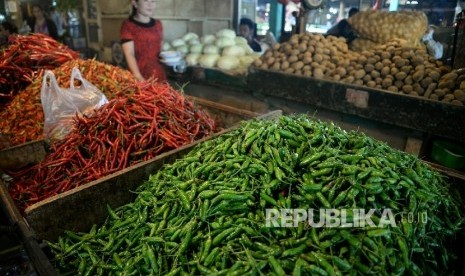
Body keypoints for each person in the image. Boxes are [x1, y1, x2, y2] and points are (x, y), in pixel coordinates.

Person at [120, 0, 166, 82]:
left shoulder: (158, 24)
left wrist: (171, 59)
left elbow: (160, 50)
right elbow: (129, 54)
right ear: (135, 3)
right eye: (145, 1)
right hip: (139, 76)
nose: (150, 5)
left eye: (153, 1)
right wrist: (139, 77)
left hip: (159, 75)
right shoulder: (128, 25)